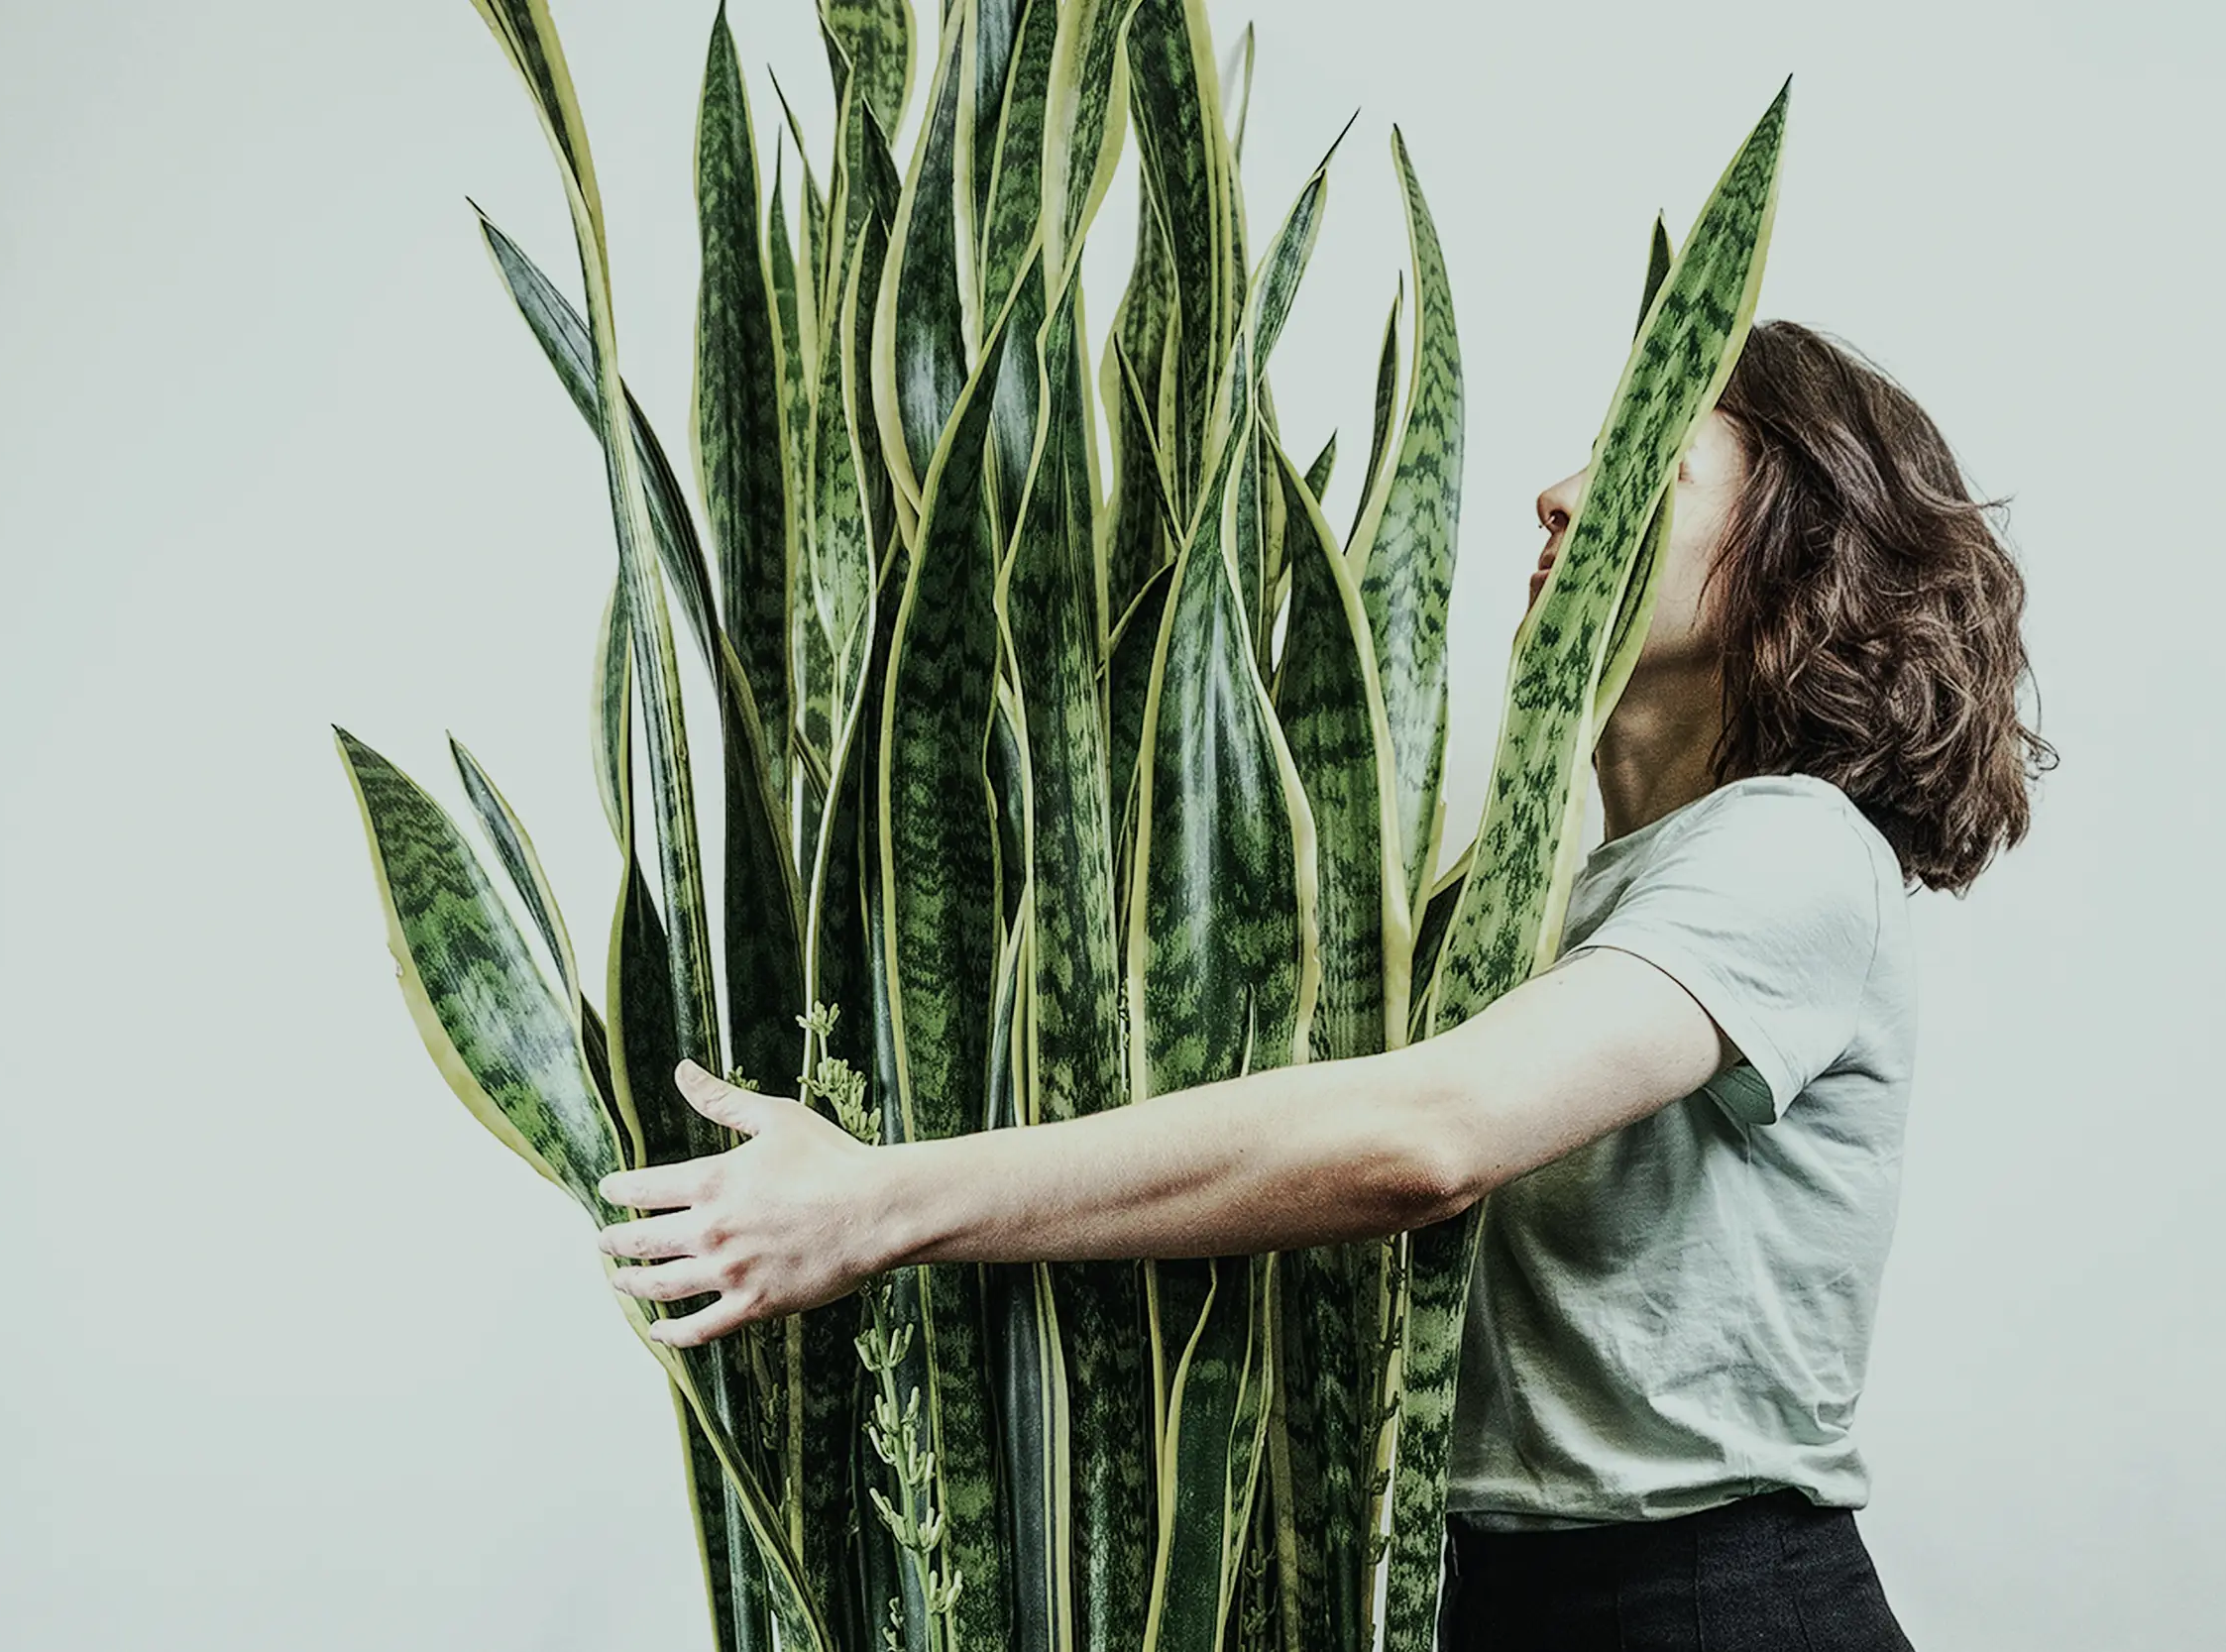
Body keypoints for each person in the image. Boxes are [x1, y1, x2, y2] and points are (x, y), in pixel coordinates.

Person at [591, 319, 2054, 1650]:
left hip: (1704, 1606)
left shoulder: (1795, 849)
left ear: (1802, 551)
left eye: (1647, 471)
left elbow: (1425, 1139)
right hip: (1499, 1598)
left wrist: (879, 1200)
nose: (1558, 493)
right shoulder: (1540, 903)